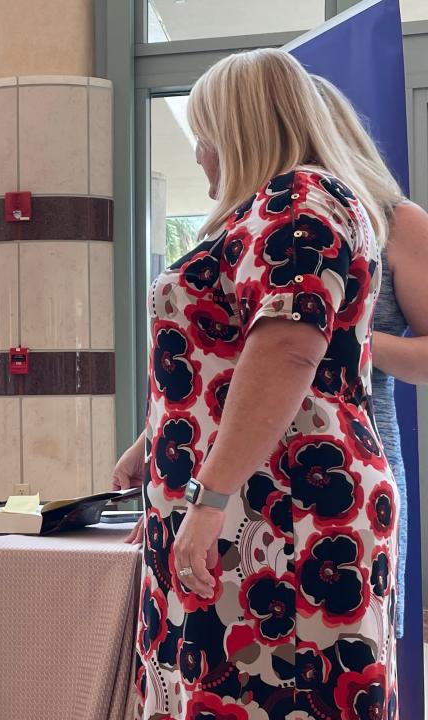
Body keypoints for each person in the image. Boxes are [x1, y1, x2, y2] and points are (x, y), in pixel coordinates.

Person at [112, 49, 398, 719]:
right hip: (257, 505)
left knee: (275, 695)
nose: (200, 156)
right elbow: (231, 358)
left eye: (203, 134)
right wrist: (154, 441)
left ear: (238, 128)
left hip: (279, 509)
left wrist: (208, 498)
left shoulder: (298, 198)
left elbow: (290, 352)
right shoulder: (280, 207)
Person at [314, 74, 428, 641]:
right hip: (252, 460)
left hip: (359, 452)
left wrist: (344, 338)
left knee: (360, 645)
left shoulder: (398, 222)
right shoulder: (257, 223)